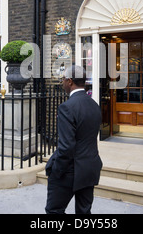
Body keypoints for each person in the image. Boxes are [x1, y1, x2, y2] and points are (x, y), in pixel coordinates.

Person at [45, 65, 103, 214]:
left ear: (70, 81)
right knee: (84, 212)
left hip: (70, 170)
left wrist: (56, 173)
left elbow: (66, 147)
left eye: (63, 80)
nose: (62, 83)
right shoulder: (95, 105)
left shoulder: (67, 107)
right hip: (90, 167)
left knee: (54, 210)